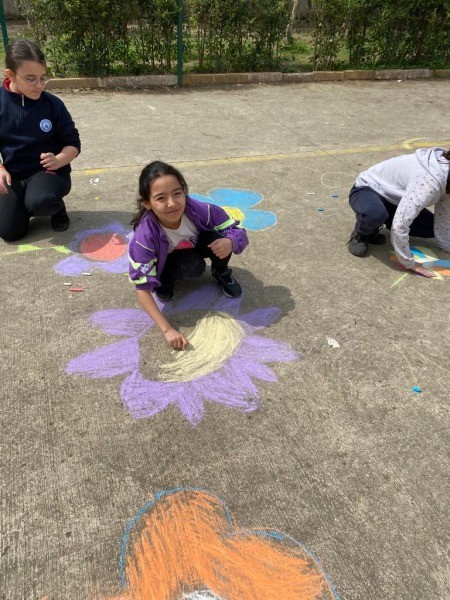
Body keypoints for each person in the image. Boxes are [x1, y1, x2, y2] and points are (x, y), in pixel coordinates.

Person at [128, 161, 248, 350]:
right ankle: (164, 282)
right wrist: (167, 330)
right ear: (147, 203)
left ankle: (220, 272)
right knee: (194, 266)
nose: (172, 203)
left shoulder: (200, 210)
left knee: (219, 239)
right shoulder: (144, 237)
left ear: (184, 191)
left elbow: (236, 229)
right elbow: (141, 288)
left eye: (177, 193)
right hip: (167, 261)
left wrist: (230, 242)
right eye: (161, 198)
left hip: (193, 246)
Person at [0, 39, 81, 241]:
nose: (39, 85)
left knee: (42, 200)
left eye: (43, 78)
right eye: (31, 79)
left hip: (47, 171)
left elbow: (73, 143)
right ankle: (23, 206)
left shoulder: (52, 104)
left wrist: (59, 159)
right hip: (13, 174)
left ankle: (55, 208)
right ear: (10, 75)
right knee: (10, 232)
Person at [347, 147, 450, 277]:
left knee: (432, 228)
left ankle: (382, 218)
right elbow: (400, 225)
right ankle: (362, 233)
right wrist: (409, 262)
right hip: (368, 190)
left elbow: (444, 213)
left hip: (396, 200)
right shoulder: (429, 181)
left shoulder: (447, 176)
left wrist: (447, 245)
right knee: (375, 214)